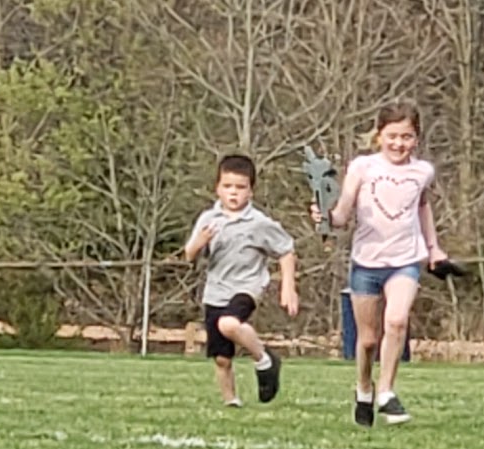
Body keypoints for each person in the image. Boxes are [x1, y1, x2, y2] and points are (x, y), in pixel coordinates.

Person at [314, 102, 448, 425]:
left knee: (398, 321)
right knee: (368, 339)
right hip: (367, 262)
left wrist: (434, 248)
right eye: (392, 136)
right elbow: (344, 214)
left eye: (407, 136)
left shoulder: (422, 172)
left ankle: (387, 391)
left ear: (416, 138)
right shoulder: (362, 168)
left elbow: (423, 207)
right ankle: (364, 388)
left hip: (405, 260)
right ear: (379, 136)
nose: (399, 144)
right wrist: (326, 218)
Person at [184, 154, 300, 406]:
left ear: (251, 191)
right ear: (217, 188)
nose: (233, 193)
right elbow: (189, 255)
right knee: (222, 358)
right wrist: (199, 243)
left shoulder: (259, 223)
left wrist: (288, 287)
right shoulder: (208, 219)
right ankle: (231, 401)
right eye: (227, 186)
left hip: (247, 287)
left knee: (229, 324)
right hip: (216, 291)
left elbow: (286, 250)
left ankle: (264, 359)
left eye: (240, 187)